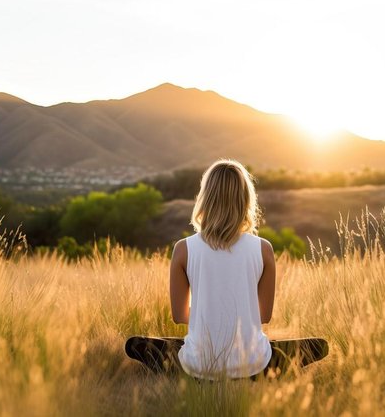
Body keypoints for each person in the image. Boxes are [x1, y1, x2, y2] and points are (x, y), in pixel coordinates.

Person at [125, 159, 327, 379]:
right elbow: (264, 316)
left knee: (138, 345)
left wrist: (210, 314)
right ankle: (264, 364)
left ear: (205, 199)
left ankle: (191, 363)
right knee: (314, 346)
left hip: (199, 368)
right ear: (245, 201)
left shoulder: (183, 249)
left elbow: (179, 315)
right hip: (252, 365)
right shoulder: (264, 249)